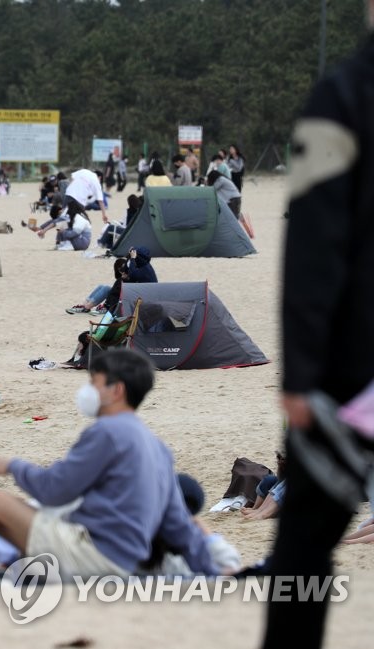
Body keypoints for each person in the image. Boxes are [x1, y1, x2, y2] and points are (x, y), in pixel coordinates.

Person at [0, 349, 216, 587]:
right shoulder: (156, 445)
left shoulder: (108, 432)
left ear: (116, 390)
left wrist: (11, 465)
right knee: (27, 518)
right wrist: (215, 575)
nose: (88, 390)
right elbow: (178, 524)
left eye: (94, 383)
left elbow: (54, 490)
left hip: (98, 557)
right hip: (126, 559)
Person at [263, 16, 374, 648]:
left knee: (304, 548)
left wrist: (301, 377)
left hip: (352, 371)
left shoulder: (345, 94)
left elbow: (314, 246)